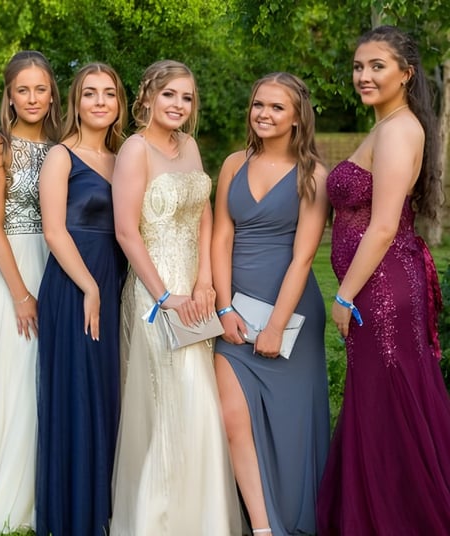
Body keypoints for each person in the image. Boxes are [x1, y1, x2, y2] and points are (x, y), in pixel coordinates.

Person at [317, 26, 450, 534]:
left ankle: (405, 517)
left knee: (389, 397)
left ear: (406, 73)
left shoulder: (399, 129)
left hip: (382, 290)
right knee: (379, 398)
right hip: (379, 285)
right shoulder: (384, 125)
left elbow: (385, 224)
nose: (364, 75)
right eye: (358, 66)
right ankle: (375, 513)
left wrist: (344, 296)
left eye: (377, 66)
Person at [110, 59, 242, 535]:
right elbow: (127, 232)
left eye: (187, 97)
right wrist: (166, 295)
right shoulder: (134, 150)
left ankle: (201, 516)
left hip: (196, 290)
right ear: (147, 97)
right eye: (170, 95)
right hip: (154, 291)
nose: (179, 105)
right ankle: (154, 517)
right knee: (164, 399)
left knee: (199, 398)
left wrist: (206, 281)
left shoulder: (188, 146)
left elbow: (204, 213)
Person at [211, 72, 331, 536]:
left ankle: (298, 518)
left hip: (292, 315)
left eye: (277, 107)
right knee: (232, 415)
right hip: (235, 310)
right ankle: (263, 528)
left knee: (290, 427)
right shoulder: (232, 164)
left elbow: (304, 257)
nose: (264, 113)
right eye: (259, 104)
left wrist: (277, 325)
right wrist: (224, 309)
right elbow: (222, 237)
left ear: (298, 117)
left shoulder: (312, 175)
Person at [35, 62, 128, 536]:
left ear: (119, 103)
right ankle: (74, 511)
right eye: (90, 93)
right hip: (75, 284)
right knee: (78, 391)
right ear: (76, 102)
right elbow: (53, 230)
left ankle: (106, 505)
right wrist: (89, 286)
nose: (99, 102)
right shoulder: (60, 157)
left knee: (108, 389)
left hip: (114, 280)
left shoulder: (124, 157)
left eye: (108, 94)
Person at [0, 51, 61, 535]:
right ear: (8, 95)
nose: (32, 98)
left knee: (51, 377)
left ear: (52, 95)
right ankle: (11, 495)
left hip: (59, 262)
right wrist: (22, 294)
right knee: (20, 376)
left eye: (40, 89)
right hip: (15, 266)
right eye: (22, 89)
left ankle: (51, 485)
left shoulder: (63, 146)